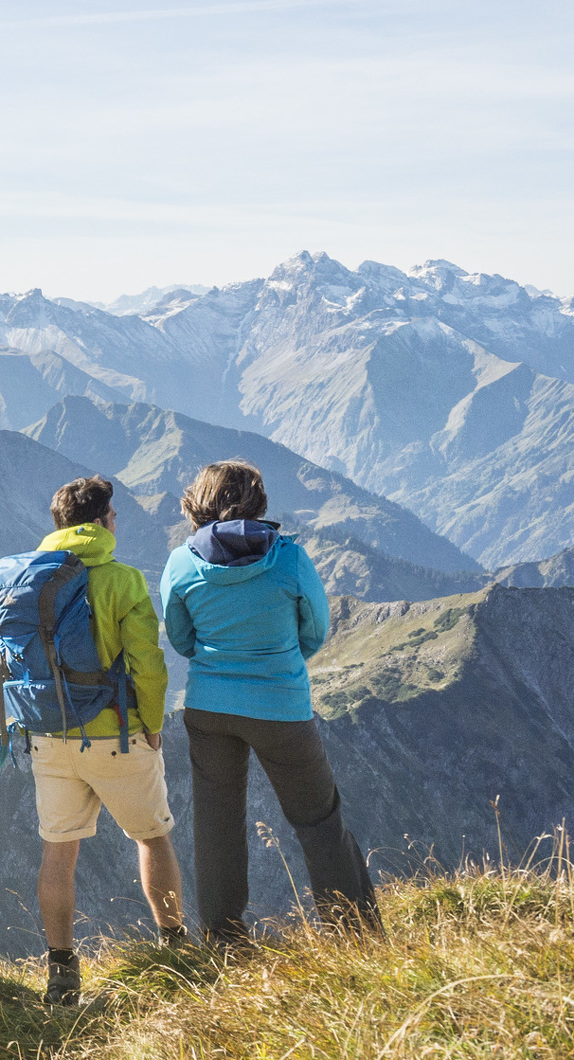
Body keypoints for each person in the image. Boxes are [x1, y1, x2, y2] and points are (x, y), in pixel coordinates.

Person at [160, 460, 380, 944]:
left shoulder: (181, 563)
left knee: (217, 824)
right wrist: (277, 662)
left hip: (209, 709)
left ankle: (225, 942)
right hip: (281, 708)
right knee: (318, 821)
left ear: (200, 503)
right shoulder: (289, 559)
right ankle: (355, 937)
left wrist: (224, 662)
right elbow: (316, 631)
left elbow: (181, 639)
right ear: (258, 502)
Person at [32, 475, 185, 1006]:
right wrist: (152, 720)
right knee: (152, 836)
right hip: (116, 734)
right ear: (100, 522)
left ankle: (61, 974)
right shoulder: (123, 580)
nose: (117, 521)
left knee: (58, 852)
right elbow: (148, 661)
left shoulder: (24, 579)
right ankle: (175, 947)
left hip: (49, 736)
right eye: (114, 514)